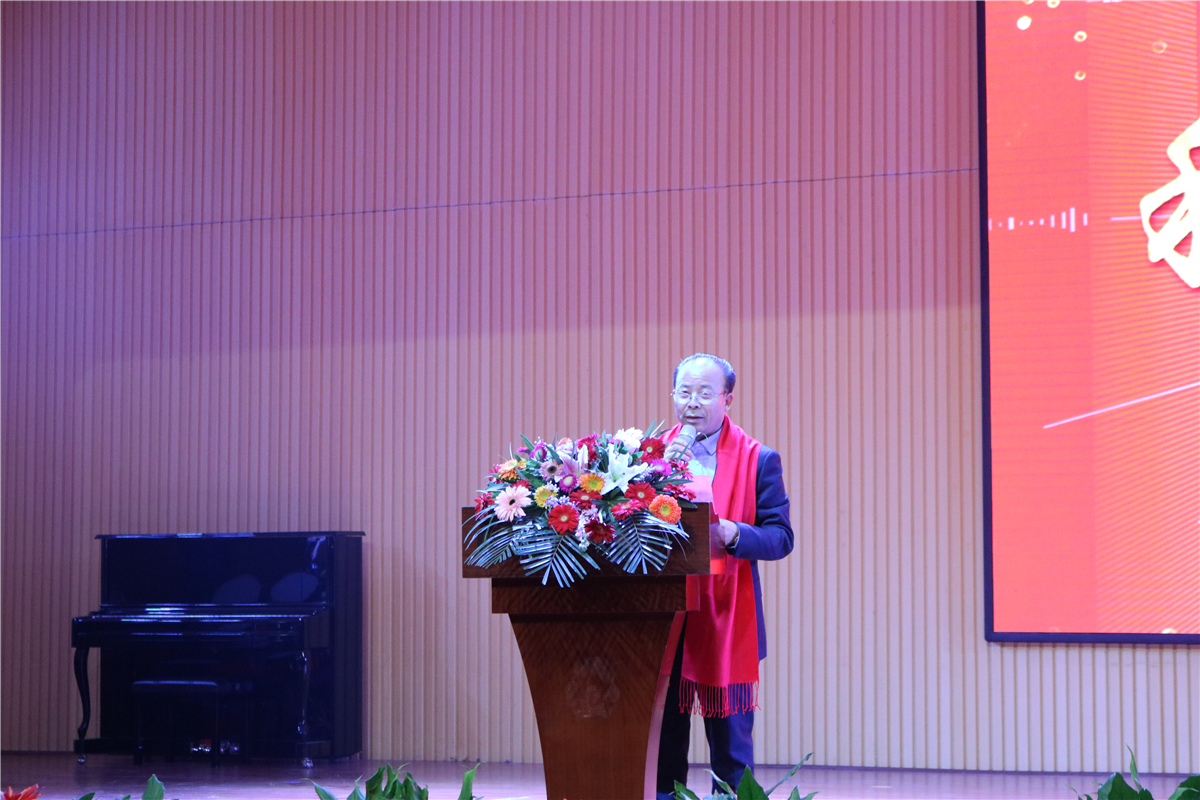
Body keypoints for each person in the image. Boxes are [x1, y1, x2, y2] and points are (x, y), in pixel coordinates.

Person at [656, 353, 794, 799]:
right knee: (661, 748)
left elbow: (780, 538)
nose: (692, 403)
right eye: (684, 392)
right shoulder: (649, 457)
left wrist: (735, 533)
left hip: (727, 615)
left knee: (732, 753)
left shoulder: (759, 459)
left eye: (704, 393)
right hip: (663, 614)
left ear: (727, 399)